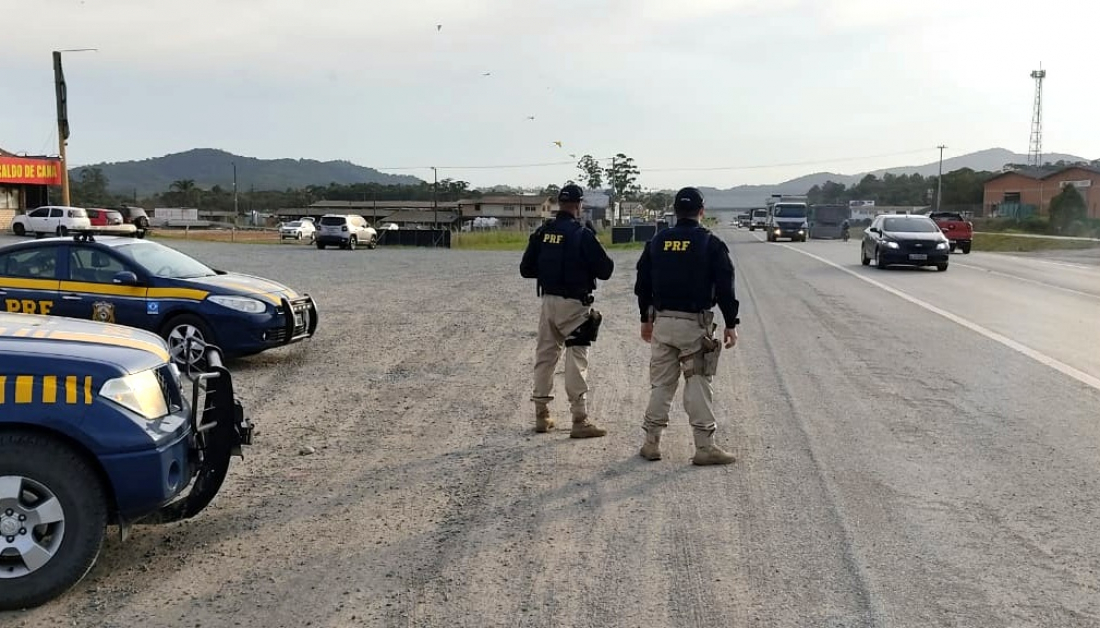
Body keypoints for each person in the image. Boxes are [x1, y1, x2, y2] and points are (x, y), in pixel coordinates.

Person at [633, 187, 740, 465]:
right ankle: (705, 447)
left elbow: (642, 284)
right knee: (698, 382)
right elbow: (726, 287)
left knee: (661, 384)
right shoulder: (711, 243)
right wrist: (731, 323)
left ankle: (651, 443)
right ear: (701, 211)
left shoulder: (657, 242)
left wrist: (645, 319)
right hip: (694, 325)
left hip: (663, 323)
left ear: (675, 211)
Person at [520, 184, 615, 438]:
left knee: (545, 356)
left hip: (548, 302)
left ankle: (542, 414)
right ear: (579, 205)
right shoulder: (581, 234)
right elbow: (606, 270)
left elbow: (526, 269)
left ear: (559, 204)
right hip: (574, 305)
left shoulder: (543, 232)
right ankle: (579, 419)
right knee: (576, 357)